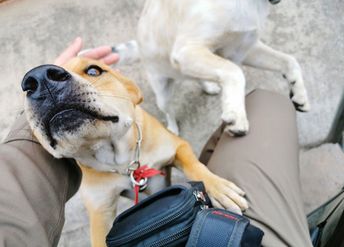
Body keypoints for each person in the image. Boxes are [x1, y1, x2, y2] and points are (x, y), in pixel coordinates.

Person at [0, 38, 313, 246]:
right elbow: (101, 225)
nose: (41, 83)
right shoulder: (87, 175)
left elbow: (177, 148)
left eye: (93, 71)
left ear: (132, 94)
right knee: (267, 103)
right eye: (34, 89)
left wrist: (202, 174)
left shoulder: (146, 130)